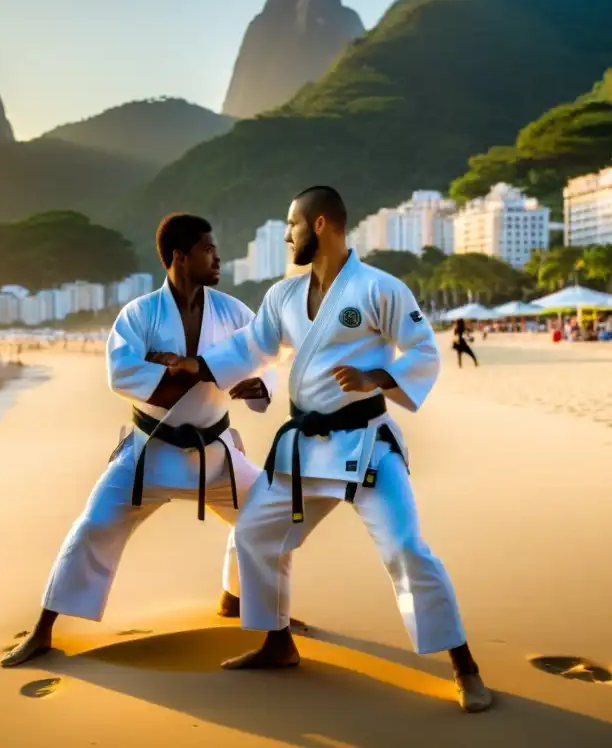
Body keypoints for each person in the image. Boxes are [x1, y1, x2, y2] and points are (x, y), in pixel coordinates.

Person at [156, 187, 493, 713]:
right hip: (304, 449)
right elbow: (250, 347)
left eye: (290, 225)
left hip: (366, 446)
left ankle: (464, 666)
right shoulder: (284, 297)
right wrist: (197, 366)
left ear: (318, 225)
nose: (286, 235)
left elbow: (425, 351)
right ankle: (277, 642)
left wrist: (376, 376)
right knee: (255, 533)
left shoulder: (379, 288)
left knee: (405, 548)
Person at [1, 213, 279, 667]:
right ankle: (42, 631)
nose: (218, 257)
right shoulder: (140, 314)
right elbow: (122, 373)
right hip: (150, 454)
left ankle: (236, 597)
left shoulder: (231, 311)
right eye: (208, 249)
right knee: (92, 528)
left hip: (216, 455)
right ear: (180, 257)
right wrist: (196, 372)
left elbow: (264, 355)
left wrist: (255, 383)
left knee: (266, 515)